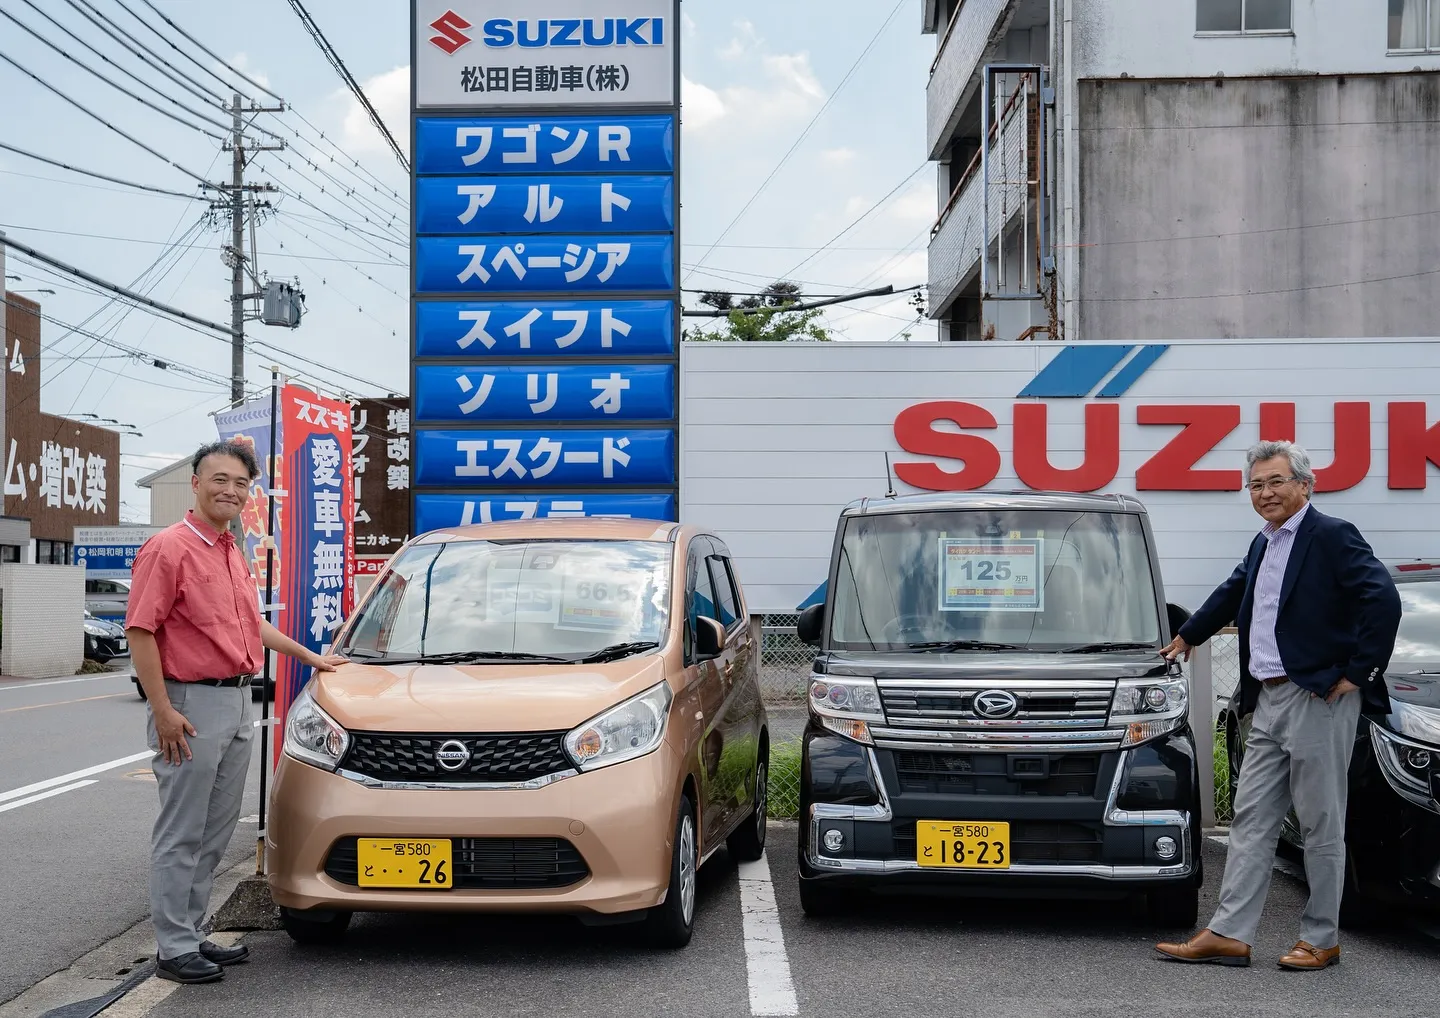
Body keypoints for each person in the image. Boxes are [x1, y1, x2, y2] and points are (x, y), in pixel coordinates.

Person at [1154, 440, 1400, 971]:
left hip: (1317, 697)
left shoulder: (1331, 535)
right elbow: (1234, 589)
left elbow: (1381, 596)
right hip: (1266, 697)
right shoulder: (1264, 543)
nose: (1265, 493)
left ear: (1304, 486)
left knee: (1319, 823)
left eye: (1276, 481)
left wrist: (1360, 672)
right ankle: (1229, 933)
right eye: (1256, 484)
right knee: (1251, 821)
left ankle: (1322, 939)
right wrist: (1189, 634)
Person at [125, 440, 346, 984]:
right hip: (187, 703)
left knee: (215, 827)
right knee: (182, 829)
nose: (230, 489)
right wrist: (163, 710)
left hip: (236, 698)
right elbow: (140, 630)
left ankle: (192, 931)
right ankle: (173, 947)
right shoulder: (168, 548)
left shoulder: (230, 549)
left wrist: (311, 656)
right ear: (195, 483)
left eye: (240, 483)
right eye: (218, 479)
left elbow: (251, 628)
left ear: (249, 494)